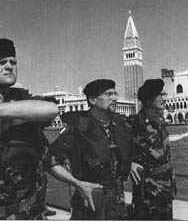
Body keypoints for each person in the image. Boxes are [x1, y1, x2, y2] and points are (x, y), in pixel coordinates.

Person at [0, 38, 58, 219]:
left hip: (28, 211)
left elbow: (51, 109)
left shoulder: (24, 100)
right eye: (1, 62)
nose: (9, 66)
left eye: (13, 62)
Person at [49, 79, 136, 220]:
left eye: (115, 93)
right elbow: (50, 160)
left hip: (117, 205)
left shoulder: (120, 125)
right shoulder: (79, 128)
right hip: (89, 205)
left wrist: (130, 163)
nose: (114, 98)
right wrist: (78, 184)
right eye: (108, 94)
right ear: (93, 100)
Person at [130, 78, 177, 220]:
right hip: (148, 194)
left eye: (164, 94)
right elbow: (114, 146)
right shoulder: (135, 124)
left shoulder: (160, 121)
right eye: (160, 95)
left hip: (166, 190)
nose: (164, 98)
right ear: (150, 99)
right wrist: (129, 163)